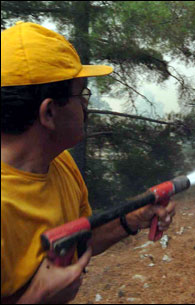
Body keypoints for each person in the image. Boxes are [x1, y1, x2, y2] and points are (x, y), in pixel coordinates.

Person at [1, 21, 176, 304]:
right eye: (81, 93)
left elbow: (79, 239)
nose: (86, 105)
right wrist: (37, 297)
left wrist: (132, 218)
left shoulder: (61, 165)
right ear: (49, 113)